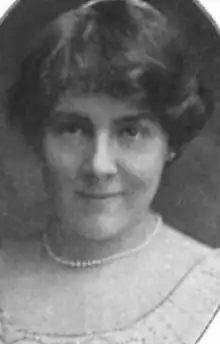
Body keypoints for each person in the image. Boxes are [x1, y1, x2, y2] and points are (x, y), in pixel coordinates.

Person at [0, 0, 220, 342]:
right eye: (73, 129)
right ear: (37, 136)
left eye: (131, 132)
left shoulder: (211, 287)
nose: (98, 165)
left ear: (171, 143)